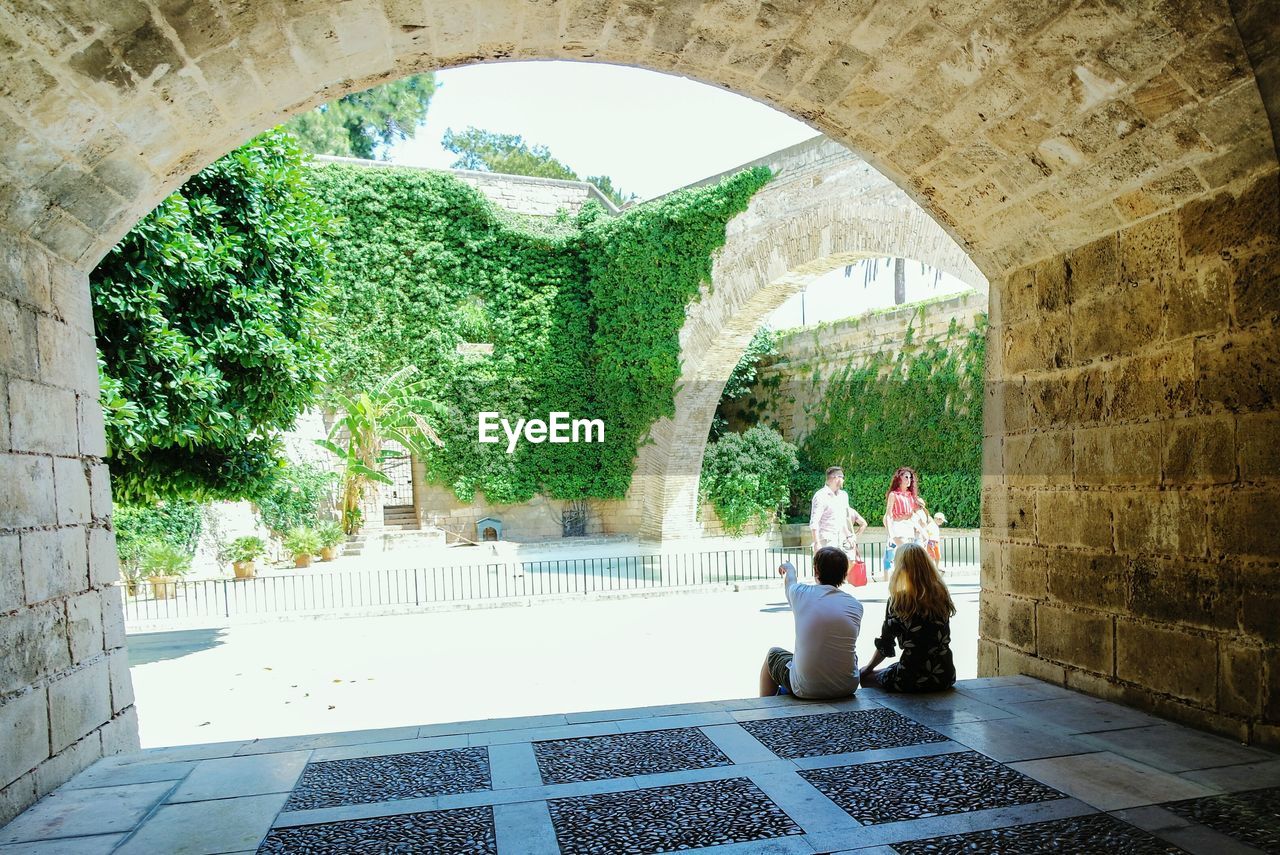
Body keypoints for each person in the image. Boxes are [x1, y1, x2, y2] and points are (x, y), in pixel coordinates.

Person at [760, 546, 865, 699]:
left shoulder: (800, 593)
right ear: (844, 574)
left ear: (816, 571)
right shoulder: (855, 606)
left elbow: (790, 582)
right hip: (847, 686)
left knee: (773, 655)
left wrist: (789, 568)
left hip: (806, 688)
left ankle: (765, 709)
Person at [859, 543, 956, 693]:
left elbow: (885, 645)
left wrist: (867, 669)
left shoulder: (900, 601)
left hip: (911, 677)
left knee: (866, 678)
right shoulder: (941, 595)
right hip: (945, 675)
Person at [810, 466, 853, 554]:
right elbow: (814, 522)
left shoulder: (843, 495)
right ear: (836, 478)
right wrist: (817, 543)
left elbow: (842, 520)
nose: (843, 480)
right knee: (826, 567)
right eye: (842, 477)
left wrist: (849, 536)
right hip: (826, 541)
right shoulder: (821, 496)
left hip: (840, 541)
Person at [884, 466, 923, 546]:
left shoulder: (910, 495)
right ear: (899, 478)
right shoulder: (893, 495)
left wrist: (922, 531)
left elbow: (914, 514)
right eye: (906, 477)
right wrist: (891, 534)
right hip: (898, 526)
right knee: (904, 551)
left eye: (910, 477)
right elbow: (888, 515)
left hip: (909, 527)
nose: (909, 480)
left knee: (906, 554)